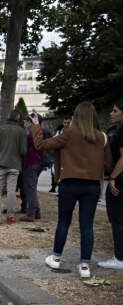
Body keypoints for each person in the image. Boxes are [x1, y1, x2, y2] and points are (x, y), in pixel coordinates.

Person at [33, 104, 112, 278]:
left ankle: (56, 257)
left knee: (64, 222)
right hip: (92, 185)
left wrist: (36, 125)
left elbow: (41, 144)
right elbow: (108, 164)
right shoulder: (102, 137)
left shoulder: (68, 134)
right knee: (87, 225)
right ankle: (85, 266)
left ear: (76, 116)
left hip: (69, 183)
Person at [0, 110, 27, 225]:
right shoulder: (21, 131)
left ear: (8, 118)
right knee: (11, 190)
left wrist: (0, 150)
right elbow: (23, 150)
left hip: (1, 162)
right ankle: (10, 216)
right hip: (15, 164)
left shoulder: (1, 128)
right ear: (18, 119)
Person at [98, 100, 123, 270]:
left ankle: (120, 259)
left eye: (114, 110)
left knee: (118, 220)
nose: (111, 113)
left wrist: (113, 176)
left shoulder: (122, 132)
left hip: (121, 180)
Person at [19, 113, 46, 222]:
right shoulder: (42, 132)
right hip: (39, 162)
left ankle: (31, 214)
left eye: (29, 121)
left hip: (31, 162)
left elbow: (23, 146)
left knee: (30, 188)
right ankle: (37, 211)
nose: (26, 123)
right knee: (32, 187)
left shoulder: (31, 135)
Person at [49, 116, 72, 192]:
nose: (66, 124)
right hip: (59, 153)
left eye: (68, 123)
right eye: (64, 123)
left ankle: (62, 188)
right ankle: (54, 187)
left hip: (68, 155)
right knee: (55, 171)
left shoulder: (72, 131)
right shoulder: (60, 131)